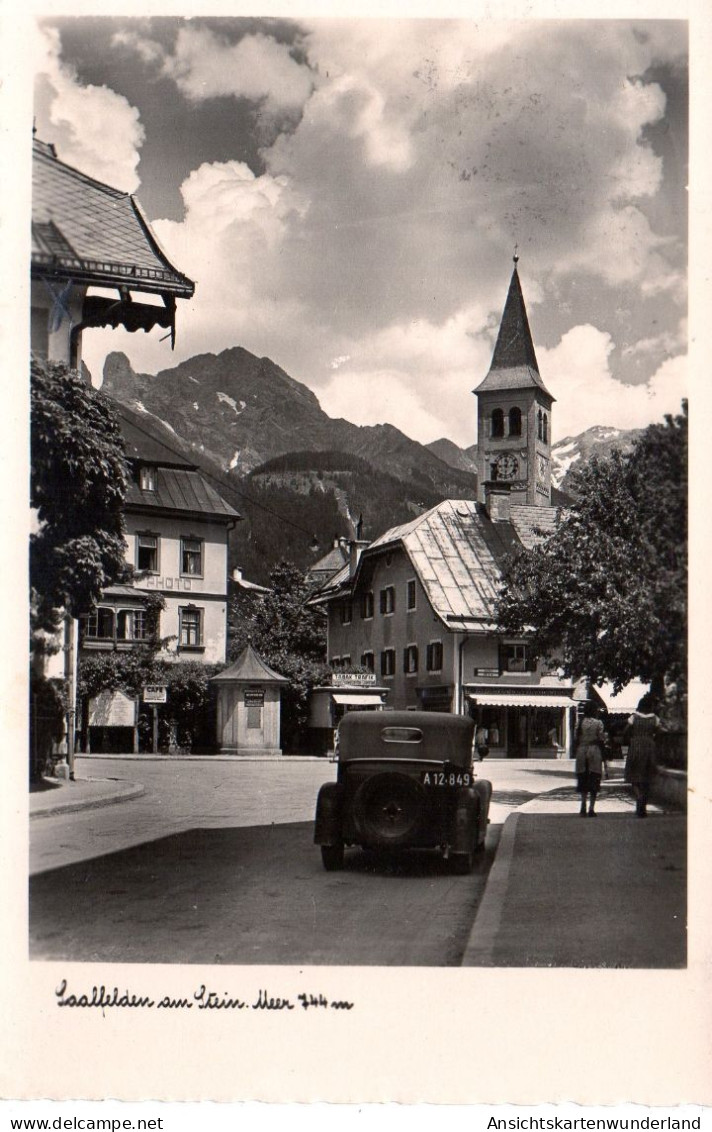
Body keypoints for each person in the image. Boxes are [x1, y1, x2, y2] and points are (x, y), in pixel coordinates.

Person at [623, 694, 662, 818]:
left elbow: (625, 731)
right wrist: (653, 737)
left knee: (634, 775)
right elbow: (660, 732)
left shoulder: (634, 717)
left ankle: (638, 797)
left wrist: (631, 739)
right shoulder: (654, 718)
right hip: (650, 747)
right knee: (647, 777)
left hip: (636, 746)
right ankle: (643, 805)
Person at [574, 701, 608, 816]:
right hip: (594, 752)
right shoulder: (599, 723)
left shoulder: (580, 722)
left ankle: (583, 805)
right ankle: (591, 809)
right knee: (594, 779)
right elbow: (601, 738)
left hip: (582, 751)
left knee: (583, 778)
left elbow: (576, 737)